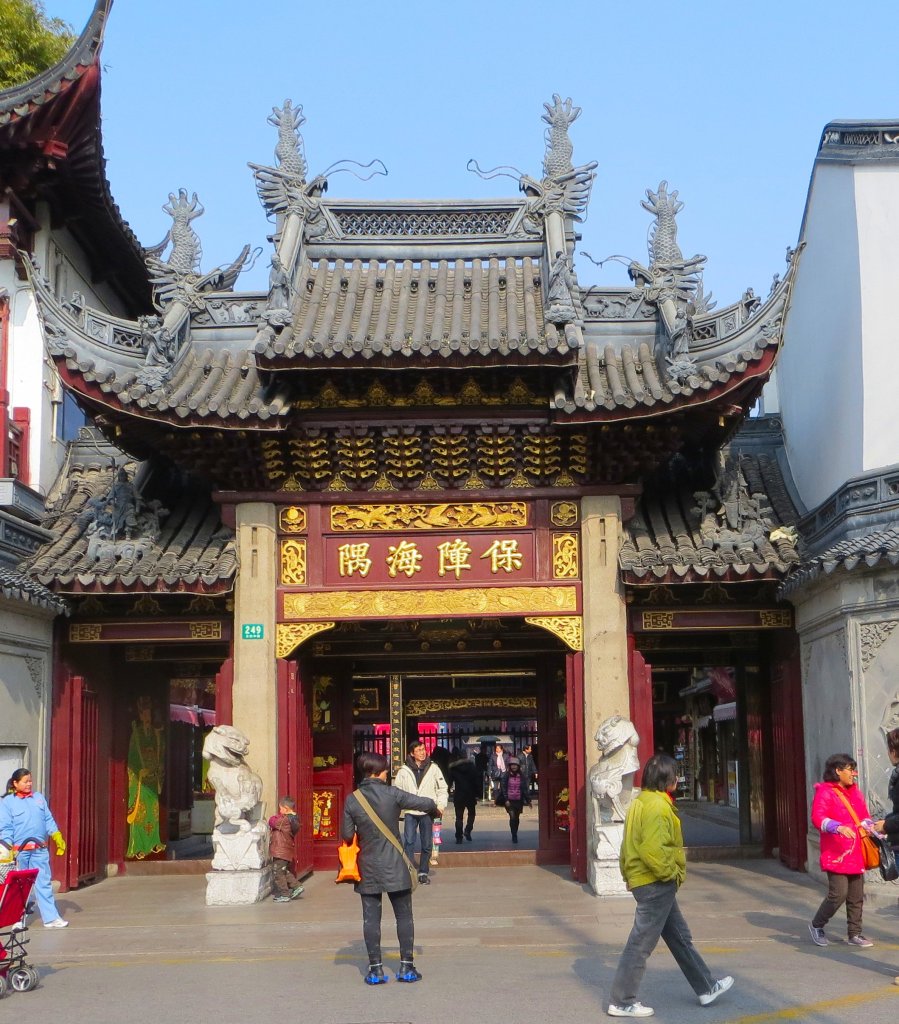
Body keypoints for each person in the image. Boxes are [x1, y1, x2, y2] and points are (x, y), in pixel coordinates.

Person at [607, 753, 733, 1018]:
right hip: (656, 882)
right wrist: (672, 873)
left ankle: (706, 986)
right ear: (667, 779)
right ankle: (622, 1001)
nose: (678, 778)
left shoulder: (641, 801)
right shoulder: (658, 807)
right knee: (640, 943)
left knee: (679, 937)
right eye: (675, 774)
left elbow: (630, 844)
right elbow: (653, 850)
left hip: (647, 880)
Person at [342, 751, 439, 984]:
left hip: (367, 866)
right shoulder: (393, 794)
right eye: (386, 770)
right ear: (378, 772)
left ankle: (375, 970)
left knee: (370, 919)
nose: (388, 774)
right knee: (404, 915)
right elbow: (425, 803)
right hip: (395, 864)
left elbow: (346, 835)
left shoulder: (353, 799)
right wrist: (435, 809)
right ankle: (407, 968)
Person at [809, 753, 877, 948]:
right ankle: (816, 925)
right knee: (838, 894)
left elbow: (864, 817)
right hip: (837, 854)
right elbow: (817, 817)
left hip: (856, 852)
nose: (854, 774)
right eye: (850, 769)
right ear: (837, 771)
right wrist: (837, 827)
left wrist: (874, 828)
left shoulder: (855, 792)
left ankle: (854, 934)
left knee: (856, 895)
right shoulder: (825, 792)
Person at [0, 769, 69, 928]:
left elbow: (48, 819)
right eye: (25, 781)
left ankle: (51, 918)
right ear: (15, 783)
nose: (29, 784)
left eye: (30, 781)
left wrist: (56, 835)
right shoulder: (8, 802)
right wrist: (6, 848)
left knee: (44, 882)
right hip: (19, 851)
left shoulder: (38, 798)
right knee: (18, 886)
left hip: (39, 849)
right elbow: (6, 827)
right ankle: (17, 919)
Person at [394, 740, 448, 884]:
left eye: (423, 749)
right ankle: (409, 871)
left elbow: (442, 788)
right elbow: (397, 792)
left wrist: (441, 805)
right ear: (412, 753)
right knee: (409, 842)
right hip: (410, 811)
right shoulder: (403, 771)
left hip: (427, 811)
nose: (422, 752)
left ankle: (423, 872)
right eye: (418, 750)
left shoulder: (433, 768)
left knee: (426, 844)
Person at [268, 796, 304, 903]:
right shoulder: (293, 819)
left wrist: (276, 816)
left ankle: (285, 894)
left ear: (286, 808)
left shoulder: (284, 820)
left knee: (278, 873)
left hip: (280, 851)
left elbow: (272, 822)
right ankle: (296, 886)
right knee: (283, 871)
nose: (280, 811)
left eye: (281, 809)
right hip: (285, 850)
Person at [494, 756, 531, 844]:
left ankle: (515, 831)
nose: (514, 767)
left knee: (517, 818)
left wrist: (528, 800)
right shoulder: (506, 776)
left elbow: (524, 789)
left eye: (515, 765)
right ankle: (514, 834)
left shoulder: (521, 776)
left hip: (518, 800)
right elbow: (503, 788)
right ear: (509, 766)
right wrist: (506, 799)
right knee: (512, 817)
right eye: (512, 765)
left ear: (518, 766)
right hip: (509, 800)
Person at [448, 747, 480, 843]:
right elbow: (476, 781)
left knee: (459, 817)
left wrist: (448, 791)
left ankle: (459, 837)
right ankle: (468, 830)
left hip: (459, 794)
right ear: (466, 756)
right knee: (472, 814)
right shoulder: (472, 767)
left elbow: (450, 781)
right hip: (470, 794)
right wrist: (478, 793)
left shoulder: (454, 768)